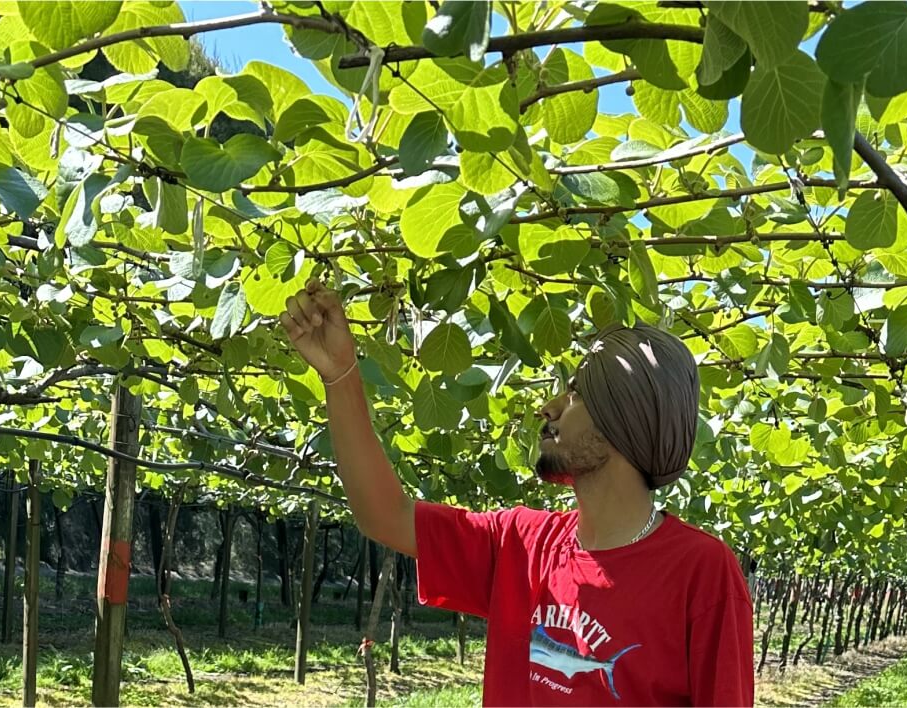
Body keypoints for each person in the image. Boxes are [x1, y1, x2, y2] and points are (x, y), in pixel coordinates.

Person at [282, 281, 755, 706]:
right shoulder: (521, 543)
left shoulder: (702, 572)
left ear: (625, 416)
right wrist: (340, 375)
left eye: (576, 394)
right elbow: (384, 515)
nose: (548, 407)